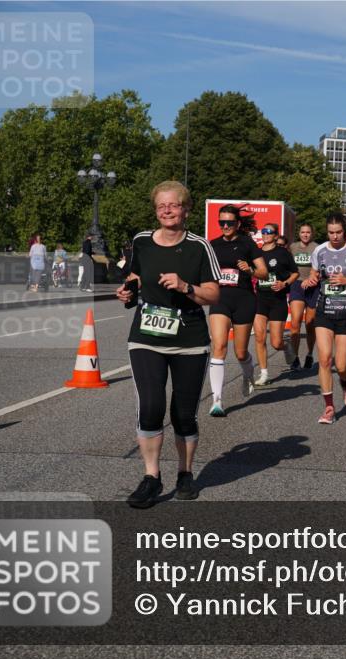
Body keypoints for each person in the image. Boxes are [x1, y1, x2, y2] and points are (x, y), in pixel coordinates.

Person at [116, 180, 221, 508]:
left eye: (173, 205)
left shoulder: (199, 247)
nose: (167, 210)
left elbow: (214, 294)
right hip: (146, 337)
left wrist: (185, 285)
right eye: (161, 205)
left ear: (186, 210)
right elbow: (135, 276)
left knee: (183, 415)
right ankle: (151, 476)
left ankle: (185, 472)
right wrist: (127, 292)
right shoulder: (142, 242)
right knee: (150, 406)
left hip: (189, 340)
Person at [301, 212, 346, 424]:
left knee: (341, 366)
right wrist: (312, 279)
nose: (334, 236)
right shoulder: (320, 250)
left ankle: (345, 382)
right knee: (324, 359)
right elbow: (315, 272)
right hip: (325, 310)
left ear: (345, 231)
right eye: (331, 233)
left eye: (338, 232)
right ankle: (329, 408)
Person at [207, 205, 268, 416]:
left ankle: (248, 374)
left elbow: (264, 273)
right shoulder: (212, 245)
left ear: (237, 224)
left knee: (240, 352)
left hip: (243, 300)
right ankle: (217, 400)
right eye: (221, 222)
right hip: (220, 299)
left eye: (229, 223)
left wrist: (250, 270)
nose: (225, 226)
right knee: (219, 346)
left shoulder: (247, 244)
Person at [253, 226, 298, 386]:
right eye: (263, 232)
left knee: (276, 342)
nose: (265, 235)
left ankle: (286, 347)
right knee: (259, 337)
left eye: (269, 232)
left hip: (277, 300)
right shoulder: (256, 253)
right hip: (260, 299)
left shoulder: (282, 253)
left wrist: (284, 283)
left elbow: (295, 273)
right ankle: (264, 373)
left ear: (275, 235)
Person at [288, 223, 320, 370]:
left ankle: (309, 354)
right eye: (303, 232)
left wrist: (314, 278)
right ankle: (294, 357)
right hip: (297, 286)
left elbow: (321, 268)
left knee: (309, 324)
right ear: (299, 233)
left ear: (311, 234)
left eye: (308, 232)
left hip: (313, 287)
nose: (305, 234)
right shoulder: (293, 247)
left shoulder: (317, 248)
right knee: (295, 322)